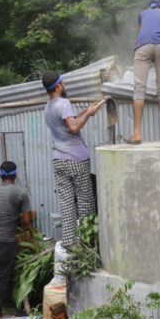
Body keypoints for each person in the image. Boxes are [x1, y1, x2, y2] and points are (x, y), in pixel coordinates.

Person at [42, 71, 102, 249]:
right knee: (85, 201)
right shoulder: (64, 103)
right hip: (76, 158)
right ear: (59, 86)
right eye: (64, 83)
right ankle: (86, 243)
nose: (65, 85)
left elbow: (69, 121)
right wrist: (90, 114)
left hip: (58, 160)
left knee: (67, 203)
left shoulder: (49, 106)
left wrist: (86, 110)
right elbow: (73, 126)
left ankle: (69, 243)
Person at [0, 162, 34, 317]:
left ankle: (7, 302)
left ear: (0, 175)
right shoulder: (21, 193)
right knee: (3, 275)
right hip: (5, 241)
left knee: (6, 271)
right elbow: (27, 220)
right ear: (16, 175)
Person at [129, 0, 160, 144]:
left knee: (139, 88)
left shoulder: (143, 13)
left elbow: (141, 30)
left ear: (151, 6)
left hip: (143, 45)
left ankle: (137, 134)